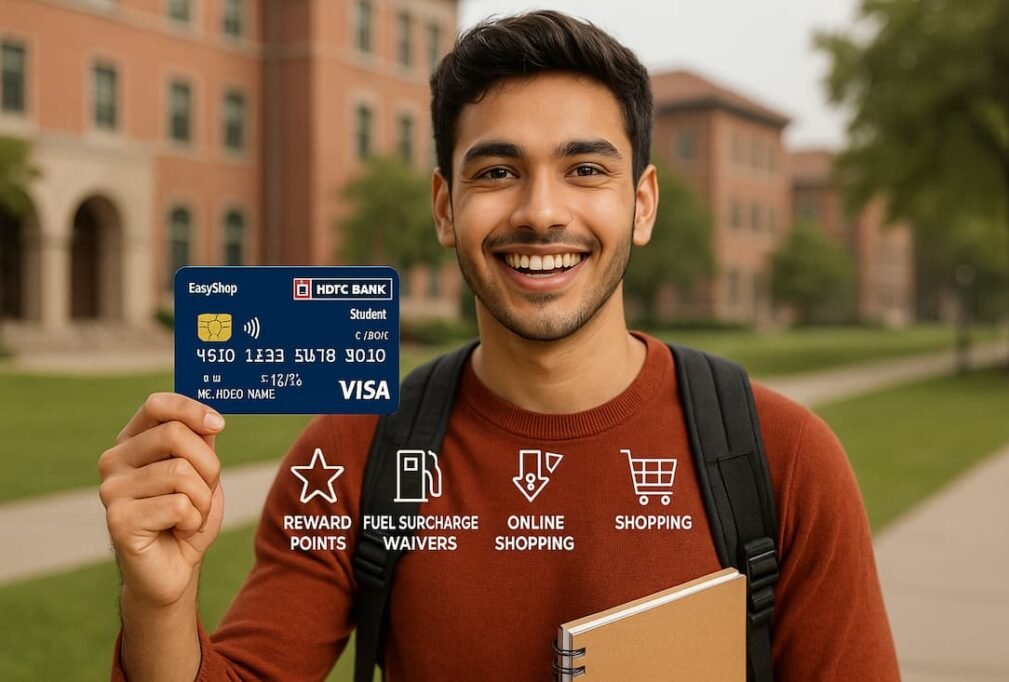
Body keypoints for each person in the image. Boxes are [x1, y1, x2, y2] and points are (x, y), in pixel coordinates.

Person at [99, 10, 899, 681]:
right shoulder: (351, 454)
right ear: (446, 208)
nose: (541, 213)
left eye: (586, 169)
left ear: (643, 205)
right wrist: (159, 603)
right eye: (497, 172)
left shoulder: (784, 458)